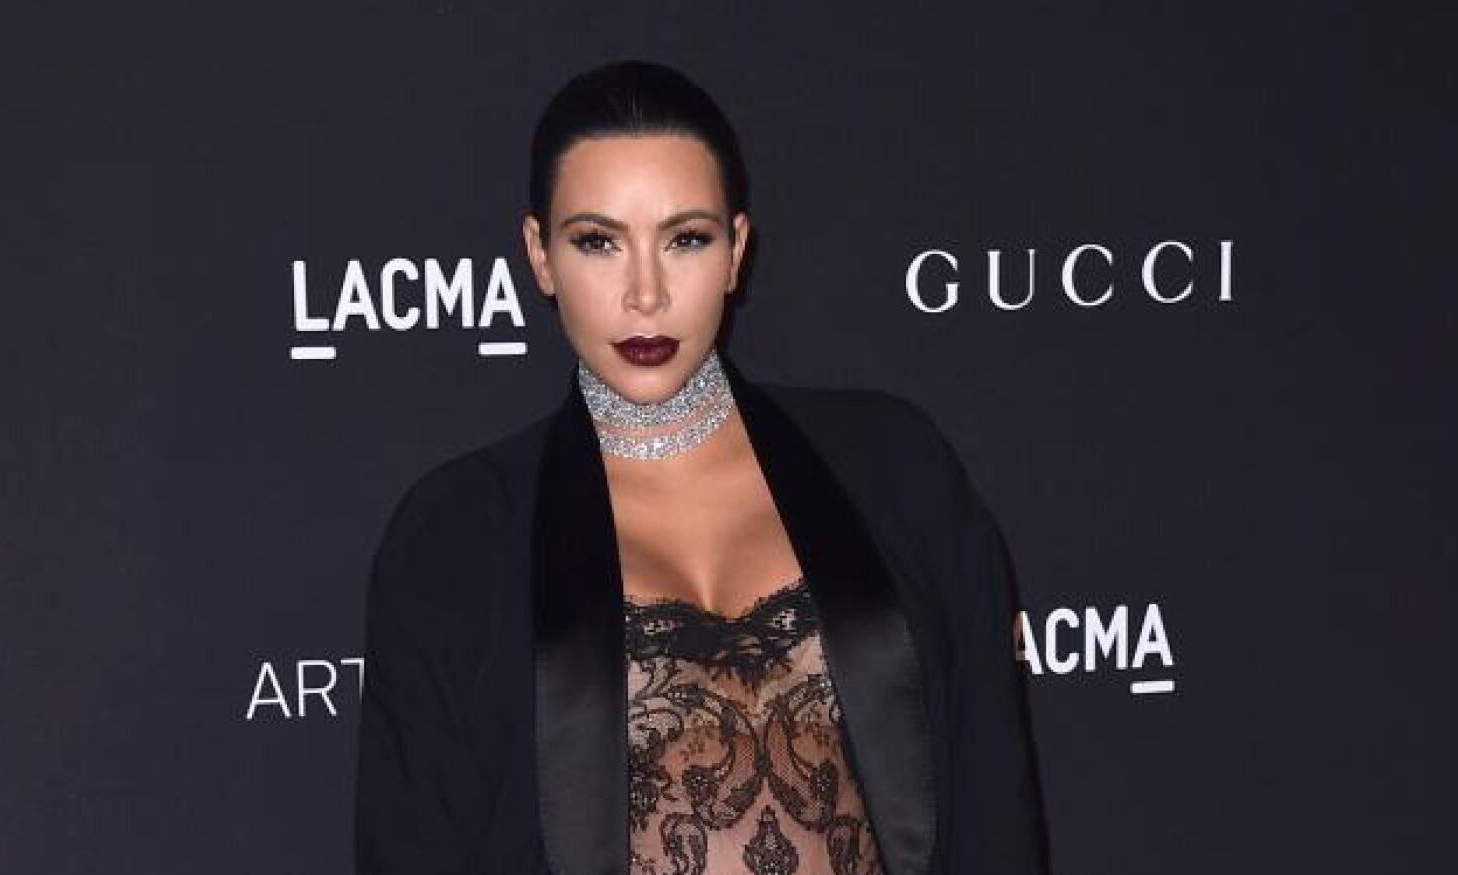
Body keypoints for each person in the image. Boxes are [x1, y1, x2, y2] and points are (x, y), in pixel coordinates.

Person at [353, 59, 1052, 875]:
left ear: (736, 249)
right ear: (540, 255)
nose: (645, 293)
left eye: (685, 238)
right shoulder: (455, 535)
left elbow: (994, 814)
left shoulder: (896, 465)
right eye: (598, 241)